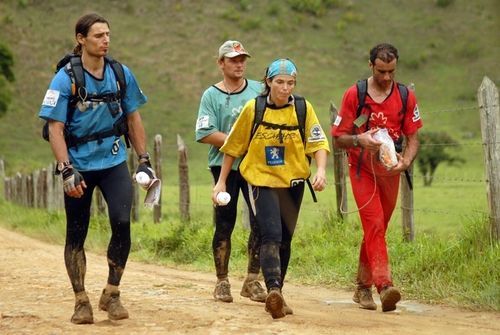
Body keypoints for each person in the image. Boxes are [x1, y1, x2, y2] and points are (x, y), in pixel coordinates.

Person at [39, 13, 153, 324]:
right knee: (76, 232)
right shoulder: (65, 78)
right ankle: (80, 300)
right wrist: (66, 169)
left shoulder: (120, 73)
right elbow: (55, 127)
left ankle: (112, 293)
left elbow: (133, 118)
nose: (105, 40)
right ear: (81, 39)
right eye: (98, 35)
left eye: (107, 35)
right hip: (78, 167)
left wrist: (144, 158)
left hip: (114, 161)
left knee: (122, 222)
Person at [212, 58, 329, 319]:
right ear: (268, 82)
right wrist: (221, 181)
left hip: (293, 183)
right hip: (262, 181)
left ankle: (279, 293)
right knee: (271, 235)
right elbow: (232, 147)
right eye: (280, 82)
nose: (285, 88)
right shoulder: (254, 108)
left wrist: (320, 171)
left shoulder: (302, 108)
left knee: (285, 240)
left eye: (290, 83)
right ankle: (273, 290)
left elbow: (318, 143)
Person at [331, 43, 422, 312]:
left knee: (377, 227)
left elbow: (413, 137)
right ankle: (385, 286)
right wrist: (359, 139)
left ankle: (362, 287)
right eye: (381, 71)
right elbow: (338, 139)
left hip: (390, 172)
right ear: (371, 65)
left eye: (391, 71)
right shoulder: (355, 94)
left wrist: (405, 161)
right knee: (375, 224)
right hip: (362, 171)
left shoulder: (405, 96)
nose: (386, 77)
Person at [195, 40, 267, 303]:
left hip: (256, 166)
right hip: (223, 167)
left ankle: (252, 280)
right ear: (221, 63)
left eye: (242, 59)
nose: (239, 64)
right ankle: (222, 281)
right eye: (233, 59)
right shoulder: (211, 95)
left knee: (261, 222)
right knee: (225, 223)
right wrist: (237, 141)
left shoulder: (260, 90)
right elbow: (205, 133)